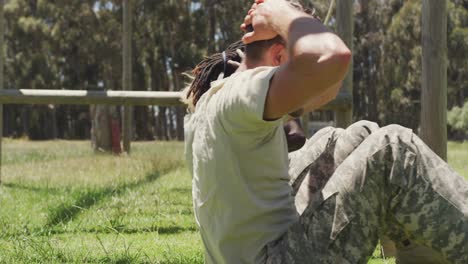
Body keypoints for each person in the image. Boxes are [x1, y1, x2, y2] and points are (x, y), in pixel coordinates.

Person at [183, 0, 468, 263]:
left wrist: (288, 17)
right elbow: (334, 57)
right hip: (275, 258)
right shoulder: (242, 93)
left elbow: (325, 85)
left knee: (351, 136)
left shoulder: (215, 99)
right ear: (280, 55)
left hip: (263, 250)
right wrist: (283, 15)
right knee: (392, 148)